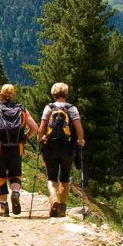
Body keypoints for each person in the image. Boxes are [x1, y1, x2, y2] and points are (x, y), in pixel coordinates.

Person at [0, 84, 38, 216]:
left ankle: (3, 207)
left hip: (0, 149)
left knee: (0, 177)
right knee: (15, 175)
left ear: (1, 95)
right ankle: (15, 192)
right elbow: (35, 128)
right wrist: (25, 136)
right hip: (16, 149)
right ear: (13, 95)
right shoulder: (22, 110)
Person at [38, 82, 86, 218]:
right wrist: (81, 141)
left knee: (51, 177)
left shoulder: (49, 108)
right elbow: (79, 129)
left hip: (51, 146)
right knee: (65, 178)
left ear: (53, 94)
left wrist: (41, 139)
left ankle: (53, 199)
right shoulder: (72, 109)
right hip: (67, 147)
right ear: (66, 93)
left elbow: (42, 127)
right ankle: (62, 209)